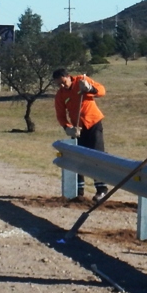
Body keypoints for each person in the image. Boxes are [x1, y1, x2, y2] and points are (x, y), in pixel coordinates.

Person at [54, 68, 108, 197]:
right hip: (78, 129)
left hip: (93, 124)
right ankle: (78, 191)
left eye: (63, 82)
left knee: (96, 156)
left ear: (68, 77)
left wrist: (90, 88)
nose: (61, 86)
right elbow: (60, 115)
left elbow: (102, 91)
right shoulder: (60, 95)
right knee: (78, 158)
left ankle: (101, 190)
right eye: (58, 84)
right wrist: (68, 128)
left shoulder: (82, 81)